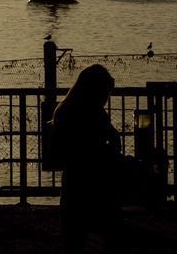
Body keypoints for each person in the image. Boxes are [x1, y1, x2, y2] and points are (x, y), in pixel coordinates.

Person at [50, 64, 125, 253]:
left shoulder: (63, 112)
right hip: (96, 186)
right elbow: (107, 146)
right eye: (105, 94)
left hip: (73, 185)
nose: (106, 100)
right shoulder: (96, 115)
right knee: (114, 236)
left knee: (74, 241)